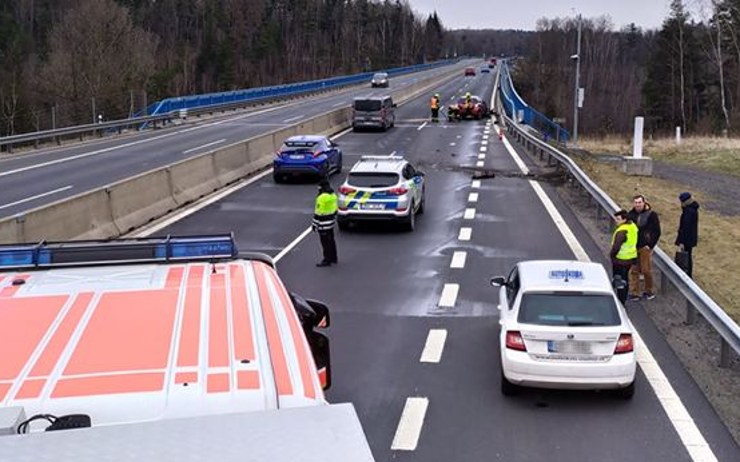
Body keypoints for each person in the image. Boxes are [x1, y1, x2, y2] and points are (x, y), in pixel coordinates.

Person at [627, 194, 661, 301]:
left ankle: (649, 291)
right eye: (636, 203)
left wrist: (650, 245)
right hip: (633, 247)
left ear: (644, 202)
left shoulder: (651, 215)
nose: (638, 205)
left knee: (646, 270)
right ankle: (634, 292)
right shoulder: (630, 215)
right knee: (634, 270)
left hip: (644, 247)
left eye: (639, 202)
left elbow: (657, 232)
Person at [610, 210, 638, 305]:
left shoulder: (622, 231)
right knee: (625, 279)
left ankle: (620, 302)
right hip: (630, 258)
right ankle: (623, 299)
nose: (616, 221)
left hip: (620, 260)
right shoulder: (632, 226)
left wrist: (612, 255)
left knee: (619, 281)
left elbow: (616, 247)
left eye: (618, 219)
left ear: (624, 219)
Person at [312, 180, 338, 267]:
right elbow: (335, 209)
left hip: (323, 224)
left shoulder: (321, 198)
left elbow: (318, 213)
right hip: (331, 222)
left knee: (325, 243)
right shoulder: (333, 195)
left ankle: (327, 259)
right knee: (331, 241)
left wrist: (314, 225)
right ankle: (334, 257)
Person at [675, 192, 700, 278]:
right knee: (688, 255)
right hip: (691, 238)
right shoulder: (692, 209)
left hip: (687, 239)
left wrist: (681, 241)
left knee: (687, 257)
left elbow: (685, 228)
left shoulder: (688, 212)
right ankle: (687, 273)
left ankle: (687, 274)